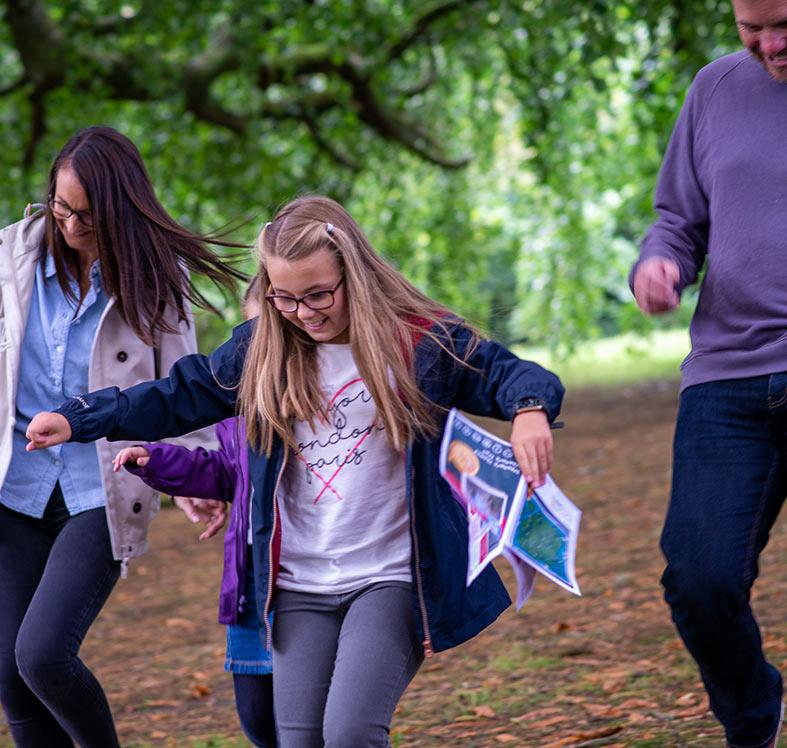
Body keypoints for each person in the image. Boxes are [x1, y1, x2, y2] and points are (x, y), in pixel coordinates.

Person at [25, 194, 565, 747]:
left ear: (353, 274)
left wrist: (528, 410)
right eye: (284, 298)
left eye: (318, 294)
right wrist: (78, 418)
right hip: (297, 586)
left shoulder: (419, 342)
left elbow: (507, 373)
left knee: (351, 733)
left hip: (389, 577)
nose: (304, 313)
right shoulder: (261, 350)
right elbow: (176, 394)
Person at [0, 125, 242, 747]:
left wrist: (191, 475)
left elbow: (185, 389)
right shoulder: (9, 260)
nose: (72, 226)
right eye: (60, 207)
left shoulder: (154, 283)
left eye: (88, 214)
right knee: (8, 673)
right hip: (13, 487)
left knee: (44, 656)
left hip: (101, 490)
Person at [630, 2, 787, 745]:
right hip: (729, 378)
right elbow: (678, 219)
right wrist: (659, 263)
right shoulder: (715, 89)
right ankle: (753, 716)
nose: (769, 42)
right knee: (698, 582)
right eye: (749, 26)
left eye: (783, 20)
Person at [111, 277, 276, 748]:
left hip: (305, 584)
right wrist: (159, 461)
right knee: (258, 719)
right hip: (249, 586)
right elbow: (227, 473)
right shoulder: (234, 405)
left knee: (312, 718)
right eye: (252, 334)